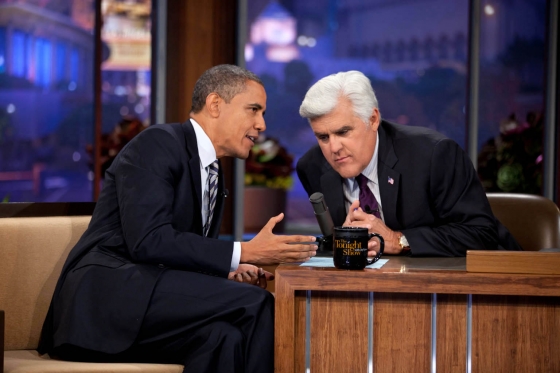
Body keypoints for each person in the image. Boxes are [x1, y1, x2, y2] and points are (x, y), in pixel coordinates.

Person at [38, 64, 318, 373]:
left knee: (223, 336)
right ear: (215, 105)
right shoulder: (158, 143)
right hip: (105, 301)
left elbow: (179, 250)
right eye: (253, 110)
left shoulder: (213, 171)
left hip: (145, 299)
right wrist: (245, 251)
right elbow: (148, 241)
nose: (261, 124)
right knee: (256, 303)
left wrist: (224, 271)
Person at [296, 70, 522, 257]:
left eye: (343, 132)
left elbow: (480, 233)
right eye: (323, 137)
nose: (333, 148)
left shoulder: (433, 154)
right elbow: (335, 243)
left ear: (373, 119)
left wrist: (398, 240)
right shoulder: (313, 167)